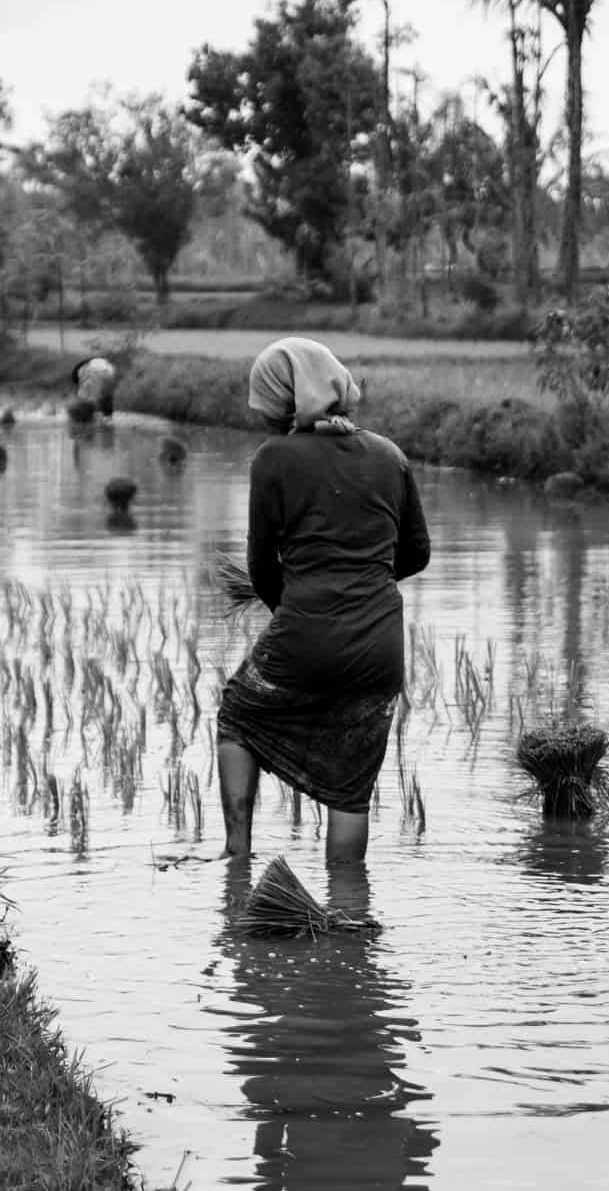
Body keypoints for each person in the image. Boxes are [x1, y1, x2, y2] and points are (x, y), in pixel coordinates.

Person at [217, 337, 431, 866]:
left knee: (238, 716)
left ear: (289, 398)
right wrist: (368, 582)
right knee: (350, 784)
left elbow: (264, 567)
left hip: (304, 633)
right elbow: (417, 554)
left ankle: (237, 857)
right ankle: (349, 909)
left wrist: (300, 609)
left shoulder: (274, 459)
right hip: (380, 647)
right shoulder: (390, 455)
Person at [71, 355, 118, 420]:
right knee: (106, 395)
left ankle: (85, 418)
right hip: (110, 370)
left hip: (94, 370)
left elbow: (82, 391)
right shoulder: (87, 364)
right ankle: (107, 416)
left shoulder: (81, 370)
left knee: (86, 398)